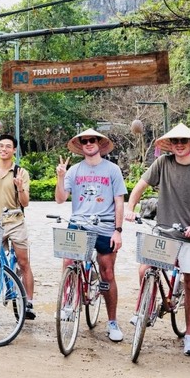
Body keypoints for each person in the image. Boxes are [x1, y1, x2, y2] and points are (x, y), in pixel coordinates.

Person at [124, 122, 190, 357]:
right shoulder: (163, 164)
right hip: (164, 231)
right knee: (144, 269)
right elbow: (140, 186)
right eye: (175, 141)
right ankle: (145, 308)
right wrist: (130, 207)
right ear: (170, 145)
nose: (179, 145)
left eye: (183, 141)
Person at [55, 129, 127, 342]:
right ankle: (69, 302)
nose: (88, 143)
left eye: (92, 140)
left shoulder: (112, 170)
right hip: (79, 223)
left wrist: (118, 230)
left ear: (99, 143)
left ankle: (112, 320)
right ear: (81, 145)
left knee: (108, 274)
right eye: (84, 141)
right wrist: (60, 176)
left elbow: (119, 201)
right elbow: (60, 199)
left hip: (105, 226)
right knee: (69, 262)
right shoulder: (74, 170)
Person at [0, 132, 36, 321]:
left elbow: (25, 203)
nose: (4, 149)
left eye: (8, 146)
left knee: (23, 262)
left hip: (16, 222)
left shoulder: (21, 172)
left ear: (14, 150)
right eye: (1, 145)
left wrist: (19, 187)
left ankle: (28, 303)